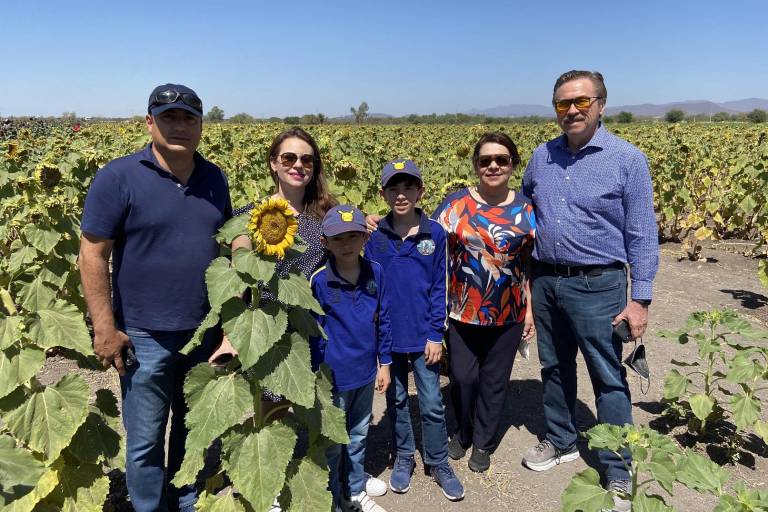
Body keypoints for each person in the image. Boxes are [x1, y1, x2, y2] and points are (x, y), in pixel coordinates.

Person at [79, 84, 231, 512]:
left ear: (201, 125)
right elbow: (92, 254)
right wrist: (105, 328)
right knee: (145, 439)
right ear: (150, 122)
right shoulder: (118, 177)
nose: (179, 126)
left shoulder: (215, 178)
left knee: (192, 428)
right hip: (143, 334)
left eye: (188, 118)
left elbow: (225, 244)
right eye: (169, 117)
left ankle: (184, 499)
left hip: (202, 331)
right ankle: (149, 506)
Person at [520, 70, 658, 512]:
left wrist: (640, 299)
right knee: (554, 366)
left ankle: (618, 467)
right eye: (563, 103)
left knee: (607, 374)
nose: (572, 110)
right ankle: (561, 439)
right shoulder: (541, 156)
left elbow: (642, 233)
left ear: (601, 104)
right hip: (546, 279)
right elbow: (521, 209)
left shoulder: (627, 160)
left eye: (582, 101)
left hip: (599, 283)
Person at [432, 133, 537, 473]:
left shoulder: (526, 209)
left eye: (501, 160)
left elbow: (530, 264)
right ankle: (463, 431)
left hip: (509, 312)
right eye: (485, 160)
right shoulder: (455, 204)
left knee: (495, 380)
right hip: (462, 310)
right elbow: (428, 243)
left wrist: (530, 310)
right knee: (463, 377)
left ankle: (483, 441)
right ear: (476, 165)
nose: (493, 166)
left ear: (512, 165)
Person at [364, 159, 464, 501]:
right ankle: (404, 455)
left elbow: (440, 287)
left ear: (421, 191)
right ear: (383, 194)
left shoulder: (434, 233)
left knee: (432, 401)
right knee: (396, 399)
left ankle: (437, 460)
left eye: (408, 187)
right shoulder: (374, 236)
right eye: (394, 188)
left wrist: (437, 334)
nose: (401, 194)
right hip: (388, 336)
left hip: (424, 336)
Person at [310, 205, 393, 512]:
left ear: (364, 238)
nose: (346, 244)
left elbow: (384, 319)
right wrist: (314, 374)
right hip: (333, 376)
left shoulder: (376, 272)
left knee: (358, 435)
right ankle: (332, 499)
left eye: (353, 236)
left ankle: (354, 492)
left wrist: (385, 364)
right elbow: (313, 331)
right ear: (325, 242)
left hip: (365, 372)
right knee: (331, 443)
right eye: (338, 238)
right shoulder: (319, 280)